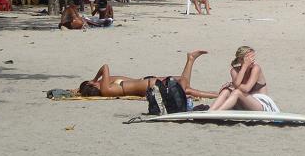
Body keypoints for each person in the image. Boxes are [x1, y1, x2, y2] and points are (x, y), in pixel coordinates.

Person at [78, 50, 216, 98]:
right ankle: (191, 60)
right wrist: (94, 79)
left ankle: (191, 60)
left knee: (183, 82)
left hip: (146, 82)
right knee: (184, 88)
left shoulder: (108, 86)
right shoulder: (105, 90)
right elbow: (105, 67)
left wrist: (78, 89)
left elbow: (107, 74)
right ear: (93, 86)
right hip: (149, 85)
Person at [208, 46, 279, 112]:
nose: (253, 60)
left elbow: (246, 89)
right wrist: (244, 67)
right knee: (226, 91)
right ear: (241, 59)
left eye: (253, 57)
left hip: (261, 105)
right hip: (244, 103)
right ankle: (210, 112)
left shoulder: (256, 68)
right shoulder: (234, 71)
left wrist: (233, 84)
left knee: (237, 92)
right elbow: (237, 84)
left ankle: (218, 113)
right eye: (250, 58)